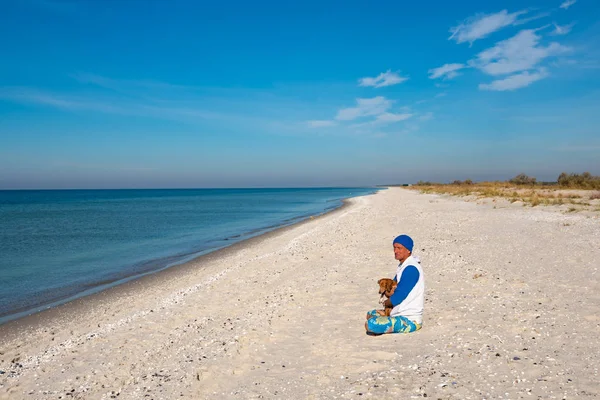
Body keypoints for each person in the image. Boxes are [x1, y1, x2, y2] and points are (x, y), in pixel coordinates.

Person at [365, 234, 424, 335]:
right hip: (398, 312)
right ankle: (388, 316)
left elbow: (399, 296)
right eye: (394, 248)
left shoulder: (411, 269)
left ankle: (389, 319)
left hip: (410, 319)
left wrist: (386, 303)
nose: (396, 251)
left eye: (399, 248)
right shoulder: (403, 266)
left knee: (371, 324)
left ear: (408, 250)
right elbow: (390, 290)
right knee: (370, 314)